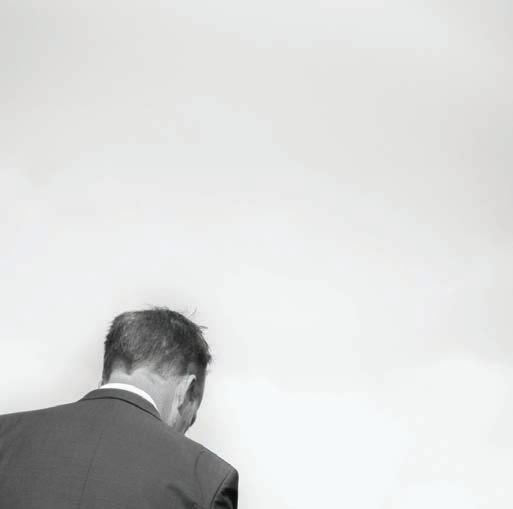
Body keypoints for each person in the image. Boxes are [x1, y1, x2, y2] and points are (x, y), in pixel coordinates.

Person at [0, 307, 239, 508]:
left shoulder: (6, 435)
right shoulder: (206, 480)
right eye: (190, 420)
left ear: (106, 372)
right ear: (187, 391)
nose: (183, 433)